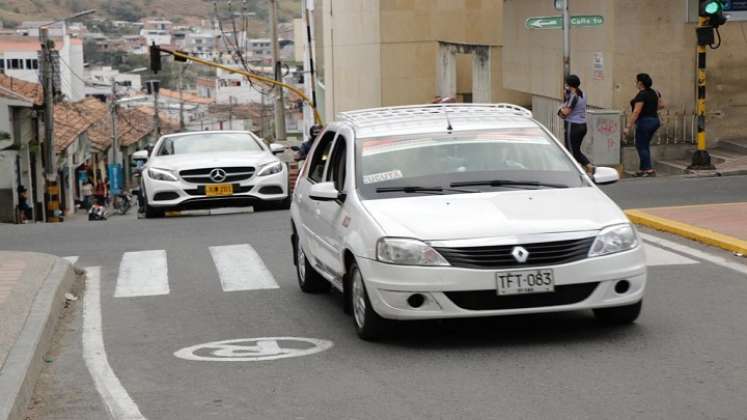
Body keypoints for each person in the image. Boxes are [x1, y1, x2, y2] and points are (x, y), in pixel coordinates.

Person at [624, 73, 664, 177]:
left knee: (641, 145)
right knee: (644, 145)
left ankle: (649, 170)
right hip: (655, 121)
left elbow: (636, 111)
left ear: (640, 83)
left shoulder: (642, 94)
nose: (635, 83)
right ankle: (642, 170)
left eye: (636, 81)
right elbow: (661, 105)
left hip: (645, 122)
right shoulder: (655, 92)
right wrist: (650, 108)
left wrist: (628, 126)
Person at [558, 74, 594, 175]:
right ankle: (589, 166)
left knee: (570, 151)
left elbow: (565, 113)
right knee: (576, 150)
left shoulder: (573, 97)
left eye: (566, 83)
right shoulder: (582, 93)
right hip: (582, 125)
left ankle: (574, 172)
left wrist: (560, 110)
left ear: (569, 85)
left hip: (573, 126)